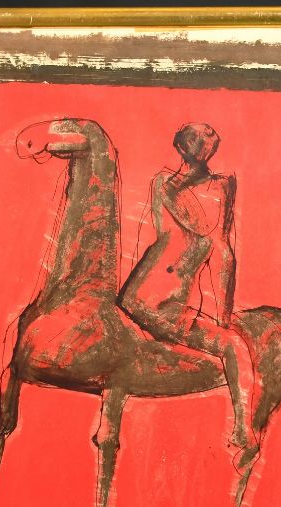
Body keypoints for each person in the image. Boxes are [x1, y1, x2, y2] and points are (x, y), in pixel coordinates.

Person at [118, 123, 257, 468]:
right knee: (234, 346)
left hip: (155, 298)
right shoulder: (174, 185)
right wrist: (223, 317)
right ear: (185, 148)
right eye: (199, 143)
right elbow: (212, 242)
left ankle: (243, 429)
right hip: (156, 302)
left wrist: (221, 314)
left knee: (231, 340)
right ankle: (243, 430)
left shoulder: (199, 185)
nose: (203, 149)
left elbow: (216, 250)